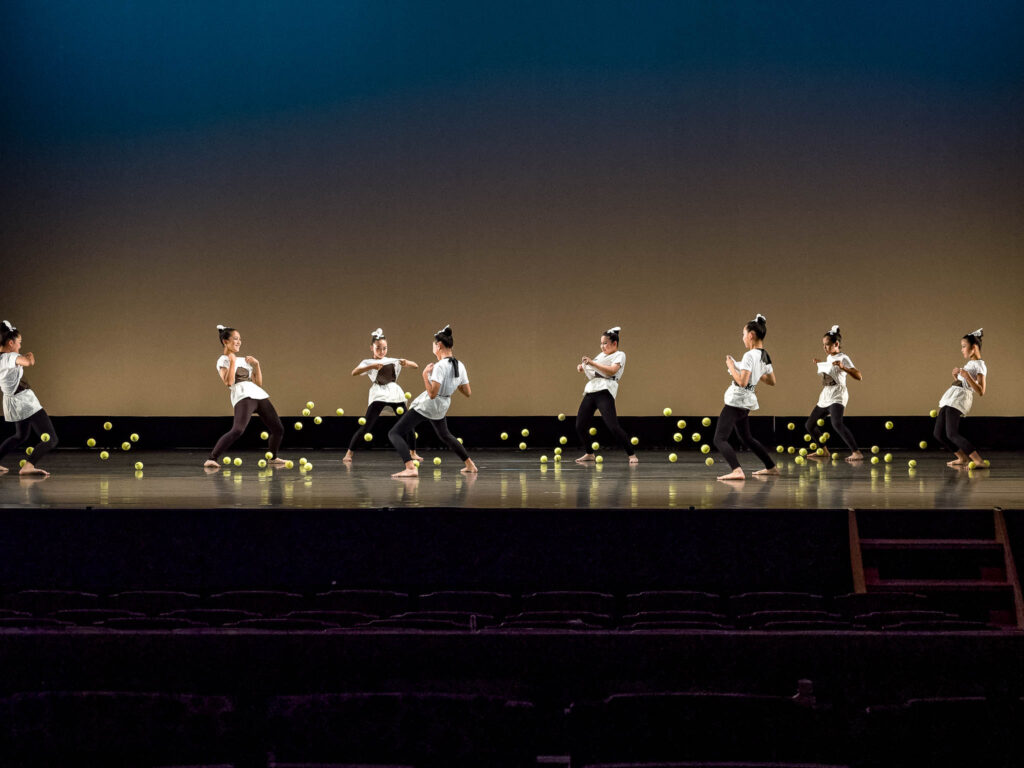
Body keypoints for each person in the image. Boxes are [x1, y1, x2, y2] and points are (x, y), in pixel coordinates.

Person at [388, 325, 477, 477]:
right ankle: (470, 465)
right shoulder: (460, 365)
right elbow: (467, 392)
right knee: (445, 435)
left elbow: (432, 394)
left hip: (428, 405)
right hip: (442, 406)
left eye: (434, 345)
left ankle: (410, 468)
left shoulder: (440, 366)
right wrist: (453, 383)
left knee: (394, 433)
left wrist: (424, 375)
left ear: (439, 345)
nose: (433, 348)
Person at [204, 325, 287, 469]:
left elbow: (258, 384)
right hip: (243, 396)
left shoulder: (244, 360)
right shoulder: (223, 360)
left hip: (258, 395)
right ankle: (211, 458)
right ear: (225, 341)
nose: (239, 342)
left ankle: (272, 458)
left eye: (240, 339)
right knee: (238, 430)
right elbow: (229, 382)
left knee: (278, 429)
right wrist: (232, 362)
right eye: (235, 339)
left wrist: (257, 365)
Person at [713, 314, 779, 481]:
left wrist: (731, 366)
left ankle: (737, 470)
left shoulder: (749, 355)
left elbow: (742, 382)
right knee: (746, 438)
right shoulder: (764, 355)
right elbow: (772, 381)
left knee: (719, 439)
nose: (742, 338)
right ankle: (771, 467)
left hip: (737, 400)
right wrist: (753, 373)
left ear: (751, 335)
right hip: (747, 401)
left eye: (743, 334)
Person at [343, 328, 421, 464]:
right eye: (378, 348)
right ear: (372, 348)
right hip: (379, 394)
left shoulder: (392, 360)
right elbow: (354, 372)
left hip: (395, 393)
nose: (381, 351)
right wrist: (371, 367)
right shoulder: (367, 362)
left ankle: (413, 453)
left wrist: (407, 363)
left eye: (384, 348)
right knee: (366, 426)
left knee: (408, 423)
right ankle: (349, 453)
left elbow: (416, 366)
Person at [0, 320, 58, 476]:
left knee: (20, 436)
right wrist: (30, 355)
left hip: (13, 402)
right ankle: (28, 466)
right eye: (19, 342)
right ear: (11, 343)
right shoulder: (10, 356)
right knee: (51, 439)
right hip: (24, 402)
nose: (20, 346)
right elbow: (28, 362)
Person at [574, 326, 638, 464]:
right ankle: (590, 453)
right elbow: (593, 367)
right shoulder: (601, 356)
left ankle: (631, 455)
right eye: (601, 343)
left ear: (614, 343)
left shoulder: (620, 354)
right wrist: (583, 366)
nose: (602, 346)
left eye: (605, 343)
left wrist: (592, 363)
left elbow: (612, 371)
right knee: (580, 425)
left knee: (613, 426)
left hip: (605, 391)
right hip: (591, 390)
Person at [805, 325, 864, 462]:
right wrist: (820, 364)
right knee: (809, 425)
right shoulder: (829, 357)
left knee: (837, 423)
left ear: (836, 344)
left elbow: (859, 376)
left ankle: (856, 452)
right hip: (826, 395)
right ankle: (824, 451)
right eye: (823, 345)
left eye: (827, 345)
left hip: (838, 395)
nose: (824, 347)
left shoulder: (843, 358)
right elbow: (830, 372)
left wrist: (844, 367)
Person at [934, 328, 987, 468]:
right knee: (939, 434)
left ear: (973, 348)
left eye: (964, 346)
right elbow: (964, 383)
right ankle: (962, 458)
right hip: (951, 397)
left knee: (952, 433)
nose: (961, 350)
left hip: (959, 400)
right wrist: (956, 377)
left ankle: (979, 461)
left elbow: (981, 391)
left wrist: (967, 376)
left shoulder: (980, 365)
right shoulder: (970, 364)